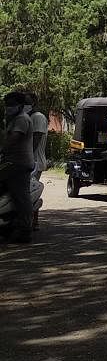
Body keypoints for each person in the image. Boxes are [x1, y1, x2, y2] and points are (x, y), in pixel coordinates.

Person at [0, 90, 36, 245]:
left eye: (12, 105)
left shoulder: (21, 120)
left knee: (21, 197)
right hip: (11, 163)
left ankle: (24, 230)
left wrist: (2, 148)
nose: (8, 107)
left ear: (20, 105)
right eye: (6, 104)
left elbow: (13, 140)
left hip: (18, 164)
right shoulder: (12, 119)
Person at [26, 92, 49, 180]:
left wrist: (28, 156)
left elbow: (36, 138)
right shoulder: (29, 117)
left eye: (27, 102)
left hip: (35, 161)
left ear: (33, 103)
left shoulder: (38, 117)